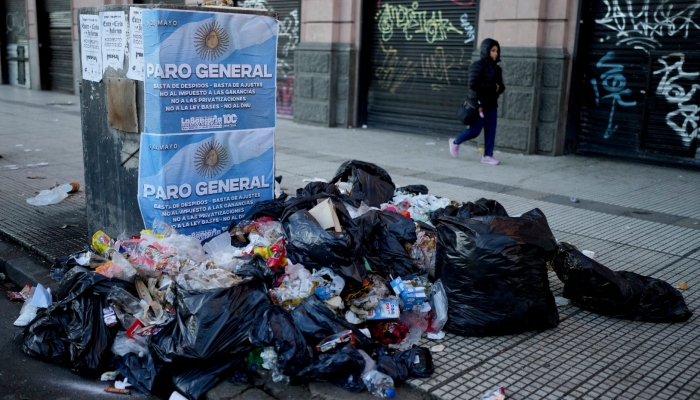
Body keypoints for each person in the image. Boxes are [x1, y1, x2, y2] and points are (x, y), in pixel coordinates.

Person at [449, 38, 505, 165]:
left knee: (491, 131)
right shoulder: (477, 66)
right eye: (493, 50)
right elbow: (473, 84)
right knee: (474, 131)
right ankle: (455, 142)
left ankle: (488, 155)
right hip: (479, 105)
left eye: (497, 51)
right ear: (486, 51)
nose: (496, 53)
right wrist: (492, 87)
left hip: (492, 105)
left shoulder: (497, 69)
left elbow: (501, 87)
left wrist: (498, 88)